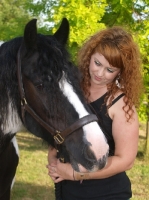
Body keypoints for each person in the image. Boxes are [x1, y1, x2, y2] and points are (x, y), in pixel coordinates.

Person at [47, 26, 143, 200]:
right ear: (89, 56)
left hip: (107, 194)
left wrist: (77, 174)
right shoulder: (73, 90)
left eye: (110, 70)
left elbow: (126, 160)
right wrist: (53, 159)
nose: (100, 73)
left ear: (121, 72)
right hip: (68, 191)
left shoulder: (121, 104)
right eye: (97, 63)